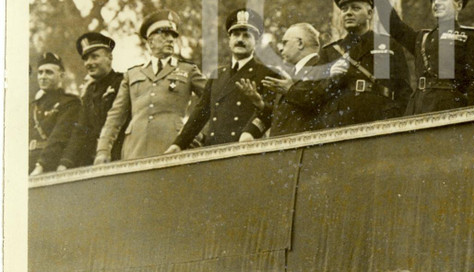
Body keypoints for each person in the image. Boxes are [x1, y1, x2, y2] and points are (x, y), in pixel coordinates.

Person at [374, 0, 474, 114]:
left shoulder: (471, 36)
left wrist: (466, 120)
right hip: (417, 107)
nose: (437, 3)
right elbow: (393, 24)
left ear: (458, 5)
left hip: (449, 109)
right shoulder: (422, 38)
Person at [95, 10, 206, 163]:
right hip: (135, 150)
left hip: (172, 148)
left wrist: (198, 134)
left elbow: (213, 100)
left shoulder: (188, 71)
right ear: (150, 42)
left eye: (173, 36)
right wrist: (103, 150)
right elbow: (115, 115)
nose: (170, 40)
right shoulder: (132, 74)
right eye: (164, 35)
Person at [166, 9, 279, 153]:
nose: (240, 40)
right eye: (236, 34)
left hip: (246, 149)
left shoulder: (267, 73)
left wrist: (250, 133)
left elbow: (272, 113)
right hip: (213, 150)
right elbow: (200, 113)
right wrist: (179, 144)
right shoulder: (217, 74)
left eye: (246, 36)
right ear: (229, 39)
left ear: (255, 41)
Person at [321, 0, 412, 128]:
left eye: (355, 8)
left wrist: (396, 122)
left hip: (380, 119)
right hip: (341, 124)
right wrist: (330, 77)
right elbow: (318, 95)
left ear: (369, 13)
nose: (348, 13)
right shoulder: (330, 51)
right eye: (344, 9)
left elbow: (404, 90)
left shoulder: (389, 44)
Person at [239, 22, 331, 140]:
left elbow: (315, 102)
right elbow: (285, 115)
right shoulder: (292, 74)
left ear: (300, 43)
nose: (281, 48)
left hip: (302, 152)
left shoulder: (322, 68)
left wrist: (290, 90)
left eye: (285, 42)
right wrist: (260, 104)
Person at [55, 33, 125, 171]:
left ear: (109, 58)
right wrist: (65, 163)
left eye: (95, 57)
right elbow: (81, 129)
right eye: (86, 59)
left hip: (119, 156)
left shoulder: (122, 82)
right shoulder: (89, 92)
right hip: (93, 161)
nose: (89, 63)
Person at [29, 52, 81, 174]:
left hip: (51, 165)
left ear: (61, 76)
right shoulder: (34, 105)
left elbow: (59, 137)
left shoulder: (69, 103)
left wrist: (41, 166)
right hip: (30, 162)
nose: (43, 76)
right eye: (40, 72)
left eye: (49, 72)